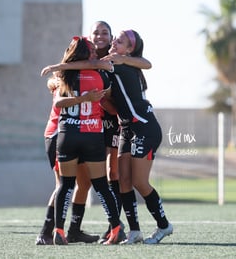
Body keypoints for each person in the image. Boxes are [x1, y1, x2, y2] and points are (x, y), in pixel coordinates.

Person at [41, 21, 153, 243]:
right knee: (79, 182)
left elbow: (146, 63)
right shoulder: (84, 58)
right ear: (90, 38)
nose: (100, 37)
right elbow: (63, 82)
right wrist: (59, 72)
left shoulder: (112, 57)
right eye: (96, 33)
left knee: (110, 175)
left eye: (105, 33)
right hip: (76, 128)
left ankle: (96, 229)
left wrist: (122, 61)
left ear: (111, 37)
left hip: (103, 123)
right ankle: (51, 231)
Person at [51, 36, 121, 245]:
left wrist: (79, 98)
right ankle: (116, 228)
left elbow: (59, 103)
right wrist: (89, 99)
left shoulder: (64, 74)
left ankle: (59, 231)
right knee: (100, 184)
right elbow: (108, 95)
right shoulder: (101, 75)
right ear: (85, 54)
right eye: (91, 51)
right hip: (92, 135)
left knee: (66, 185)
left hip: (67, 135)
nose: (94, 55)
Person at [106, 29, 173, 244]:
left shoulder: (120, 62)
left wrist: (62, 67)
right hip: (126, 128)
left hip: (145, 127)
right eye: (115, 38)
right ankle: (134, 231)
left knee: (139, 182)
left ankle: (164, 226)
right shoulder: (113, 61)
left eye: (121, 41)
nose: (115, 41)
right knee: (123, 179)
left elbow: (148, 63)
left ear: (129, 50)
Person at [35, 74, 99, 245]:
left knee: (84, 183)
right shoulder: (67, 73)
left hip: (79, 133)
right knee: (63, 185)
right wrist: (53, 82)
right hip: (58, 133)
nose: (93, 53)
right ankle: (45, 233)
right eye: (89, 50)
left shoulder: (91, 71)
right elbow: (54, 81)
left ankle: (74, 231)